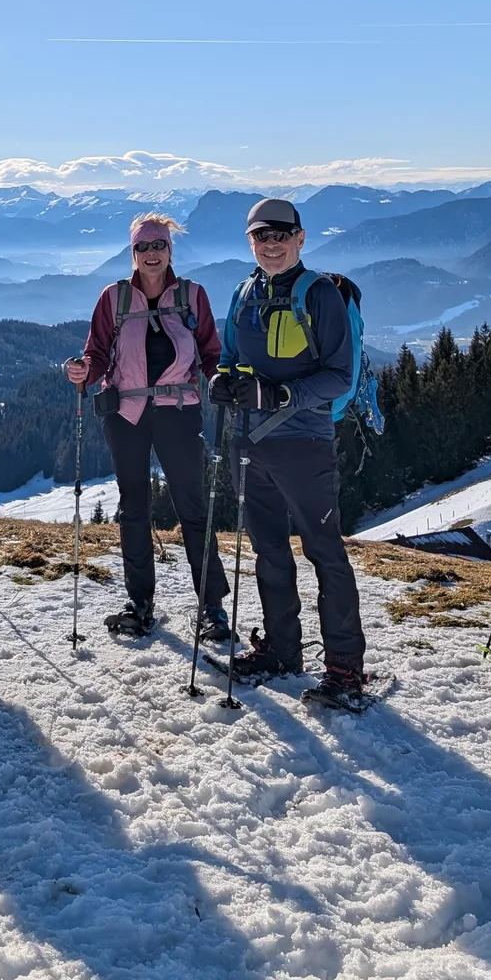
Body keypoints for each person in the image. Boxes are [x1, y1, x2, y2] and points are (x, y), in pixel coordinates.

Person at [211, 197, 368, 707]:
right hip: (249, 442)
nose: (271, 244)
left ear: (300, 238)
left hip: (304, 444)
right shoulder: (244, 293)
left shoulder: (319, 294)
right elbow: (230, 356)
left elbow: (340, 376)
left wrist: (281, 396)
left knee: (324, 551)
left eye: (281, 234)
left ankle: (345, 670)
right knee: (269, 551)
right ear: (250, 241)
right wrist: (222, 380)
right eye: (262, 235)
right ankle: (282, 651)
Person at [65, 214, 230, 640]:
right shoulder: (113, 297)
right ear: (133, 253)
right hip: (126, 415)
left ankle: (212, 606)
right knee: (134, 508)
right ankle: (139, 603)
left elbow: (210, 352)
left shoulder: (192, 295)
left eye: (159, 245)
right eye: (143, 247)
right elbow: (97, 352)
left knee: (192, 508)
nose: (151, 253)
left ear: (170, 250)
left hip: (178, 411)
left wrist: (219, 378)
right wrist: (84, 371)